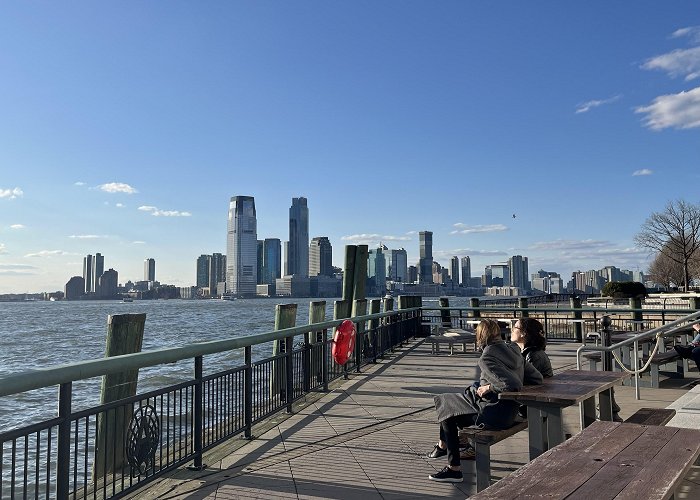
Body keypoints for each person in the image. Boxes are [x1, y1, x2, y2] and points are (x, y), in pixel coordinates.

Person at [426, 319, 543, 483]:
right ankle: (443, 447)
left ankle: (453, 468)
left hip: (494, 415)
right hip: (511, 411)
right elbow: (537, 378)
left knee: (448, 413)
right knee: (447, 401)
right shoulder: (513, 349)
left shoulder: (487, 356)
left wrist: (489, 388)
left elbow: (513, 384)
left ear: (480, 335)